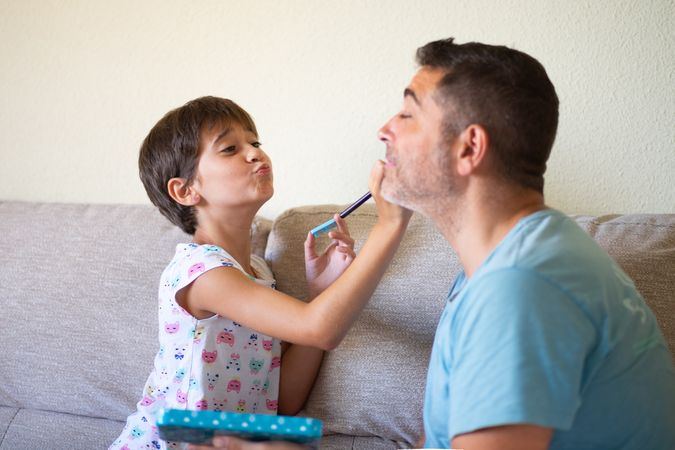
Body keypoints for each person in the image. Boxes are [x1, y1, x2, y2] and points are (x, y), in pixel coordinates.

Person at [195, 38, 675, 450]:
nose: (384, 129)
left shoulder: (522, 289)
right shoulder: (489, 272)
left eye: (408, 113)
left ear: (469, 148)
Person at [110, 96, 410, 450]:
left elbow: (281, 402)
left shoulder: (258, 272)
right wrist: (389, 223)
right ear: (186, 190)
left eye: (255, 142)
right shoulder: (202, 273)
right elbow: (322, 329)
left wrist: (319, 295)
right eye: (229, 148)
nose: (255, 153)